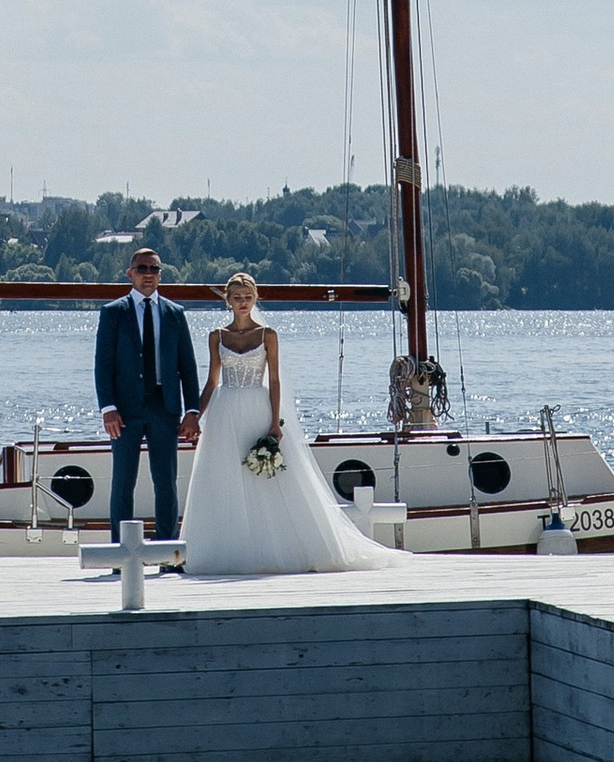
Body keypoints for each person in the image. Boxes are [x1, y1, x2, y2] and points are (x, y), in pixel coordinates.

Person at [178, 271, 392, 577]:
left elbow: (275, 379)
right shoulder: (217, 336)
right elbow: (212, 381)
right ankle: (226, 548)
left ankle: (275, 545)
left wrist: (275, 422)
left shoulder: (268, 335)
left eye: (248, 297)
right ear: (227, 300)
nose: (242, 303)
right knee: (225, 476)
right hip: (225, 411)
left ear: (255, 299)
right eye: (237, 298)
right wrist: (196, 415)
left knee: (264, 478)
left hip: (257, 406)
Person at [95, 246, 202, 543]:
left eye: (154, 269)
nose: (148, 275)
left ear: (161, 275)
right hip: (125, 410)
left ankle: (168, 549)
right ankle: (120, 550)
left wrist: (192, 410)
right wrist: (108, 408)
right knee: (123, 483)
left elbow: (187, 367)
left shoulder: (174, 314)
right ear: (130, 274)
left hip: (163, 406)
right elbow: (102, 366)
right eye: (142, 269)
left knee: (166, 482)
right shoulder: (113, 313)